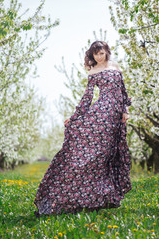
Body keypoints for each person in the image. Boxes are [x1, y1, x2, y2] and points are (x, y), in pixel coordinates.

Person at [33, 41, 132, 217]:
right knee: (97, 155)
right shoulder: (93, 72)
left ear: (107, 52)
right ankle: (70, 197)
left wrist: (126, 110)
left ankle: (102, 197)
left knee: (107, 155)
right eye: (96, 54)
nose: (99, 57)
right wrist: (75, 117)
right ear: (92, 56)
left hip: (115, 116)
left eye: (101, 53)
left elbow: (123, 91)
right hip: (101, 114)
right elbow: (87, 98)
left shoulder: (116, 66)